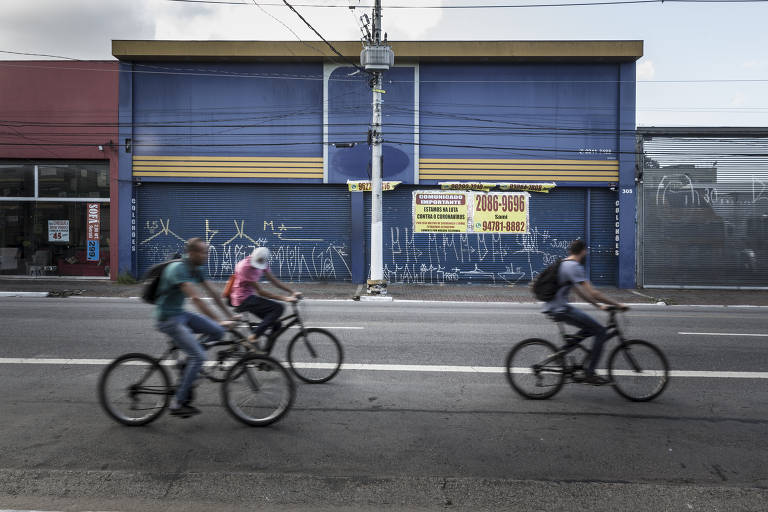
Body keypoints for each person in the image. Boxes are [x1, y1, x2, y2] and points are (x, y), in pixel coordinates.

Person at [156, 238, 236, 417]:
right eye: (203, 252)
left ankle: (186, 364)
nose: (206, 255)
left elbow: (213, 294)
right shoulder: (179, 269)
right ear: (191, 253)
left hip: (180, 314)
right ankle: (177, 403)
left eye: (206, 252)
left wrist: (229, 316)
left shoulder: (196, 268)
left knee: (218, 331)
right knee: (199, 357)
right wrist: (219, 318)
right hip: (168, 318)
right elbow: (196, 299)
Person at [545, 239, 628, 386]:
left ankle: (562, 352)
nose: (587, 252)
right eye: (586, 250)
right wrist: (617, 304)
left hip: (555, 307)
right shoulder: (574, 267)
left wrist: (598, 306)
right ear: (583, 251)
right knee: (601, 331)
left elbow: (582, 293)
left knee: (589, 328)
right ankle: (590, 373)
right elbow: (594, 292)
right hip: (561, 309)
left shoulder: (564, 264)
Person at [230, 247, 300, 352]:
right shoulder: (244, 267)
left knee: (277, 324)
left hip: (250, 296)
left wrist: (292, 291)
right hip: (242, 299)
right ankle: (252, 338)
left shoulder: (262, 261)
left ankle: (264, 355)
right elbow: (261, 292)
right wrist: (285, 298)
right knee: (278, 308)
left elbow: (273, 280)